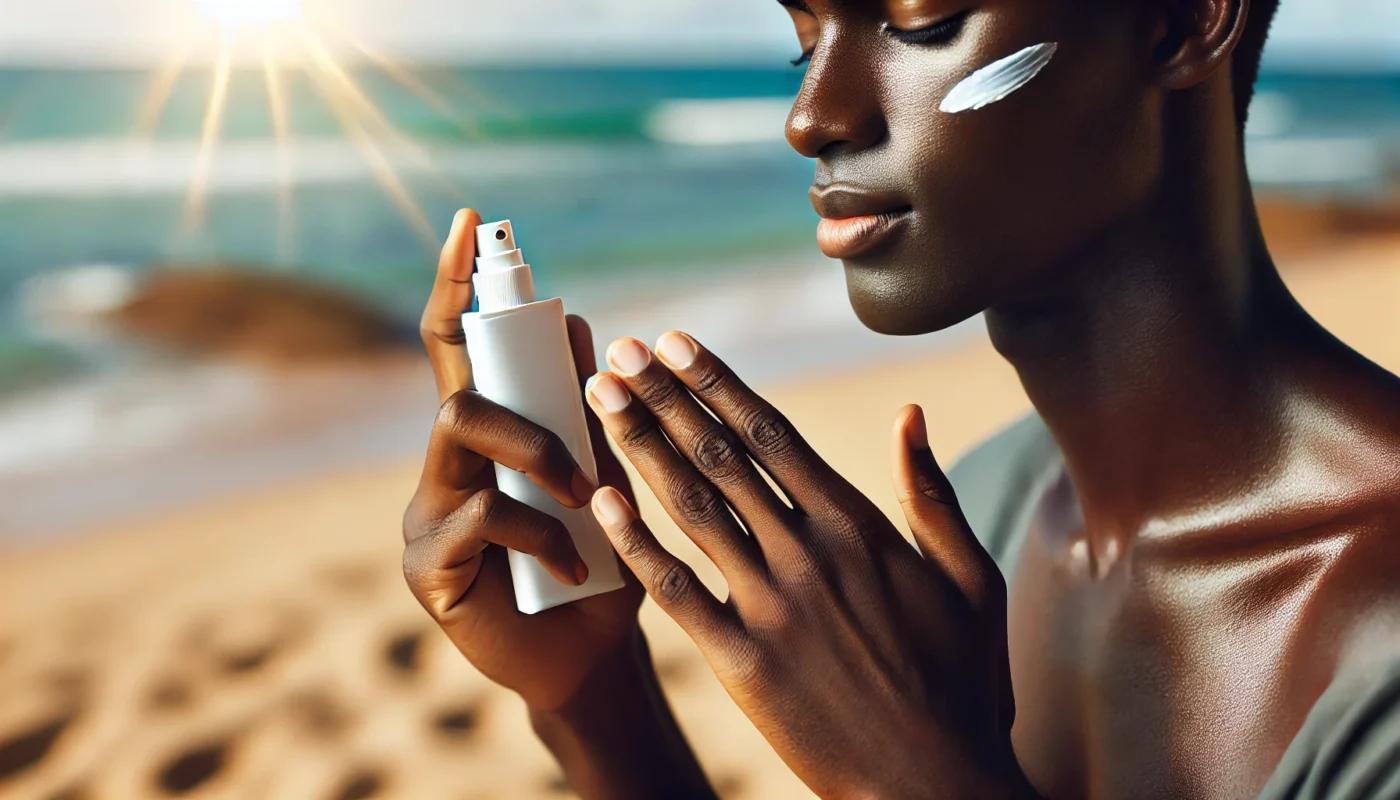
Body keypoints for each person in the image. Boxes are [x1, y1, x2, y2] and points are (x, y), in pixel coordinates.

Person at [402, 0, 1400, 796]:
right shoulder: (991, 514)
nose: (813, 116)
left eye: (920, 22)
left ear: (1181, 21)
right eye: (804, 39)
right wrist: (593, 694)